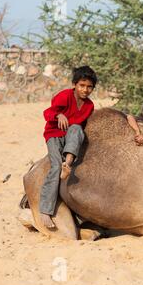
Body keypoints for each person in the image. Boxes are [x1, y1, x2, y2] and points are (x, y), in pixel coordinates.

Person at [39, 66, 97, 228]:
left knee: (77, 128)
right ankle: (45, 210)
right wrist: (59, 114)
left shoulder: (89, 106)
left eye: (89, 87)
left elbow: (84, 126)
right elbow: (47, 112)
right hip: (54, 134)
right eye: (82, 85)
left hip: (70, 137)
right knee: (55, 167)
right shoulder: (64, 96)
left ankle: (68, 162)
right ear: (74, 85)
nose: (85, 90)